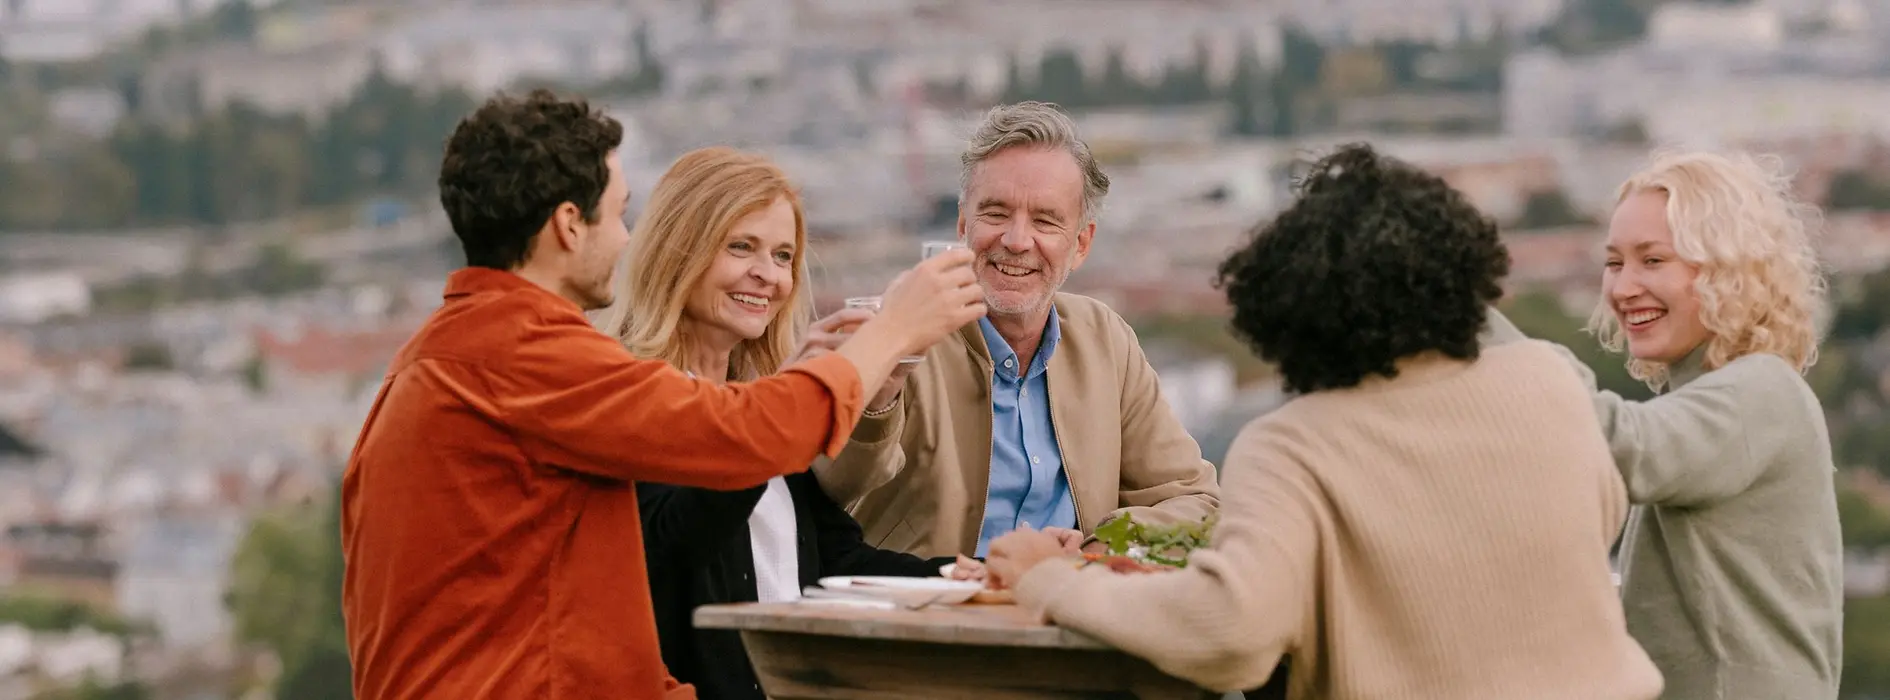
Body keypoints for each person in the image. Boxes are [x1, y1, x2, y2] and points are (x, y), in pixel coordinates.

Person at [339, 90, 986, 700]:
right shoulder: (524, 356)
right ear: (569, 224)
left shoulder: (450, 354)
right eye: (619, 214)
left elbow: (573, 617)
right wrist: (894, 329)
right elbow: (745, 445)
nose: (626, 239)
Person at [983, 143, 1663, 699]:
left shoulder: (1293, 445)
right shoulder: (1550, 378)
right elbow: (1591, 523)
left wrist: (1055, 583)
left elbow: (1229, 634)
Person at [594, 145, 984, 700]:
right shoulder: (628, 392)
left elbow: (836, 560)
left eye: (783, 256)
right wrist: (797, 401)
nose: (768, 276)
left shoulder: (761, 399)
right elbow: (675, 545)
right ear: (678, 250)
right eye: (741, 247)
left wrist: (970, 577)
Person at [1485, 150, 1843, 699]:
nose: (1623, 287)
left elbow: (1624, 448)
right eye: (1614, 262)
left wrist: (1456, 310)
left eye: (1652, 261)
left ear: (1729, 270)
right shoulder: (1718, 398)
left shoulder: (1763, 393)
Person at [815, 101, 1219, 559]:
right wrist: (879, 395)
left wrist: (1098, 543)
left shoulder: (1104, 340)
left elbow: (1195, 502)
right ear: (963, 225)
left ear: (1081, 244)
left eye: (1045, 220)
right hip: (923, 619)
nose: (1017, 240)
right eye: (996, 213)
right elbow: (829, 488)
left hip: (1061, 616)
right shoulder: (897, 330)